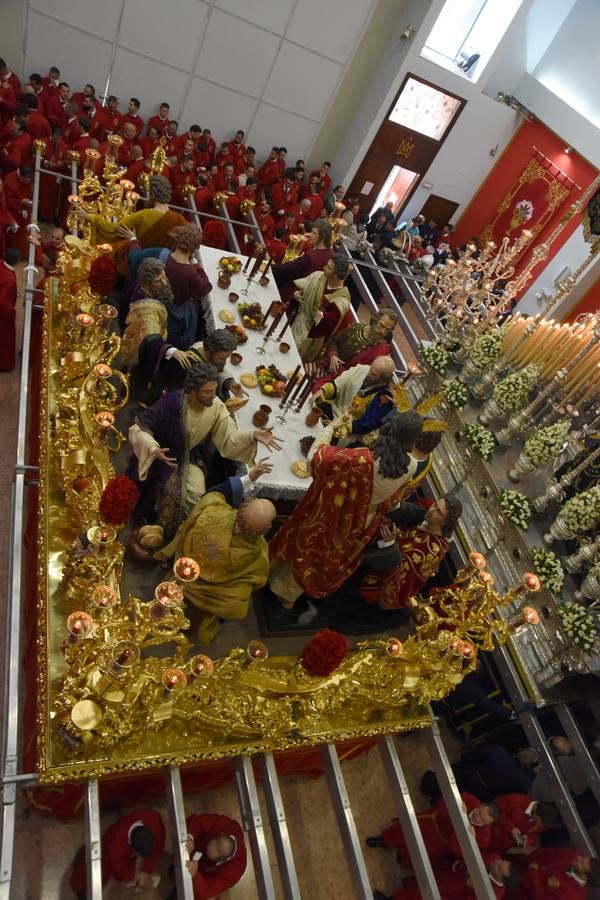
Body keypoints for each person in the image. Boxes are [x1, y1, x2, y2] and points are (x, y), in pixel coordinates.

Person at [269, 411, 422, 607]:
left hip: (332, 512)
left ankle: (278, 584)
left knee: (307, 546)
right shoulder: (412, 466)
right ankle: (288, 594)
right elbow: (394, 498)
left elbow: (316, 458)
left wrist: (330, 427)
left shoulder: (360, 459)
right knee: (322, 556)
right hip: (362, 521)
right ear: (413, 439)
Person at [127, 363, 281, 539]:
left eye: (214, 390)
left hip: (190, 458)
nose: (213, 395)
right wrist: (153, 448)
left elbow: (228, 439)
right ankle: (153, 527)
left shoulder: (215, 406)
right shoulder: (170, 403)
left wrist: (253, 435)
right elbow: (140, 427)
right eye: (207, 391)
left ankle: (181, 533)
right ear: (192, 390)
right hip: (163, 458)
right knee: (168, 491)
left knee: (196, 495)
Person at [156, 465, 276, 641]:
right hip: (208, 596)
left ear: (243, 507)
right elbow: (256, 582)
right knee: (238, 604)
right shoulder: (257, 555)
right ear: (263, 530)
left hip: (183, 567)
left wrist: (247, 479)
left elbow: (211, 496)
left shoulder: (212, 507)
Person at [359, 493, 462, 609]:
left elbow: (398, 569)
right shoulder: (429, 520)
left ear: (446, 522)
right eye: (435, 505)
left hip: (379, 586)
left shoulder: (431, 550)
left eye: (439, 512)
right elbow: (414, 513)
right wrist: (396, 504)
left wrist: (390, 544)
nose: (432, 510)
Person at [366, 793, 499, 868]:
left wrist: (469, 841)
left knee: (417, 852)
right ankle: (383, 840)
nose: (477, 818)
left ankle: (403, 855)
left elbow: (459, 853)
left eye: (482, 820)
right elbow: (442, 799)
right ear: (482, 805)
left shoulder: (483, 838)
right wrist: (456, 805)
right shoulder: (470, 800)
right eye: (480, 813)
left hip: (440, 842)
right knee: (404, 831)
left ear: (488, 824)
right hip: (434, 822)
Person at [85, 174, 187, 260]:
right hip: (163, 270)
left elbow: (111, 230)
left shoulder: (143, 215)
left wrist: (91, 217)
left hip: (139, 263)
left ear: (152, 194)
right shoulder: (180, 221)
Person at [70, 808, 166, 898]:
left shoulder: (154, 820)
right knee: (93, 871)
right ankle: (80, 888)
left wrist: (147, 871)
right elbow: (118, 870)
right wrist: (134, 875)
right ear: (131, 846)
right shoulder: (115, 847)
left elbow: (158, 847)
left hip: (121, 835)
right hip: (107, 846)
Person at [311, 356, 397, 440]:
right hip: (334, 409)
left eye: (373, 374)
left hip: (348, 431)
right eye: (370, 369)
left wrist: (336, 426)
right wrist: (323, 390)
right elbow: (338, 385)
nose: (368, 373)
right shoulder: (363, 369)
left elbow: (365, 424)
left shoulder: (385, 398)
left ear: (383, 379)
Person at [420, 744, 538, 803]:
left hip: (468, 773)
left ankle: (429, 786)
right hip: (481, 792)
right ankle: (436, 800)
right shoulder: (523, 782)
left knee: (443, 779)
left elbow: (472, 755)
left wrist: (464, 761)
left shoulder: (498, 751)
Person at [291, 254, 352, 362]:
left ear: (337, 275)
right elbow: (299, 285)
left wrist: (323, 317)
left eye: (329, 267)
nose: (324, 267)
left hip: (311, 337)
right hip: (298, 320)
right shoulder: (317, 276)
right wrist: (295, 294)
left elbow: (331, 321)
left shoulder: (342, 299)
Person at [374, 855, 519, 899]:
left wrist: (469, 884)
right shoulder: (494, 860)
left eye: (499, 867)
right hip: (448, 877)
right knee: (414, 890)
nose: (496, 862)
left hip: (448, 895)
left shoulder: (491, 895)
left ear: (501, 879)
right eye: (502, 862)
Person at [181, 813, 246, 900]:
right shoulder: (228, 825)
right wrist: (190, 837)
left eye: (217, 851)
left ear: (222, 861)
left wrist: (195, 875)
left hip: (204, 871)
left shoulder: (234, 872)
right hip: (198, 843)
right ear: (220, 835)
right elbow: (200, 821)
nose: (212, 848)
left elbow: (207, 890)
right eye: (216, 842)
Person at [272, 219, 334, 299]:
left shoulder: (310, 257)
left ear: (322, 237)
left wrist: (271, 267)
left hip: (296, 295)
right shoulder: (332, 254)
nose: (310, 235)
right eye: (311, 232)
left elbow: (290, 269)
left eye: (314, 233)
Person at [489, 794, 558, 855]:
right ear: (536, 810)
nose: (536, 824)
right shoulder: (516, 801)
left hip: (500, 845)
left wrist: (526, 841)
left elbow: (534, 836)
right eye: (536, 821)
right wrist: (510, 828)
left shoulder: (542, 822)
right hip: (488, 829)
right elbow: (493, 809)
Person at [520, 846, 590, 898]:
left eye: (581, 863)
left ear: (584, 876)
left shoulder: (575, 896)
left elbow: (541, 897)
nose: (578, 857)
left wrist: (533, 871)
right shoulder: (574, 856)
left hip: (525, 891)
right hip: (526, 861)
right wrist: (534, 856)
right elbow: (552, 851)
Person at [4, 165, 33, 258]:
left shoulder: (27, 178)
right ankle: (13, 255)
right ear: (20, 175)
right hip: (13, 213)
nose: (28, 181)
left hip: (24, 211)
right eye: (26, 179)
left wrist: (24, 206)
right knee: (14, 236)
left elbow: (28, 190)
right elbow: (6, 200)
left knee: (23, 234)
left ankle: (22, 253)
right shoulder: (9, 181)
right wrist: (20, 202)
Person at [0, 246, 18, 371]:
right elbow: (3, 301)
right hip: (3, 315)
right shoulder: (10, 279)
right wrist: (11, 311)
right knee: (5, 340)